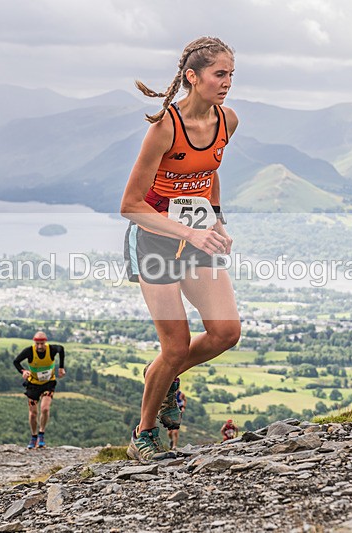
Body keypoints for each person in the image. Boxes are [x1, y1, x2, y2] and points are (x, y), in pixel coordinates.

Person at [120, 36, 241, 462]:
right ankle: (144, 433)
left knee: (227, 332)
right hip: (154, 240)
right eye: (219, 74)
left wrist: (218, 218)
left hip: (198, 236)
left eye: (230, 74)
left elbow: (209, 172)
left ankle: (167, 377)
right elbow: (130, 205)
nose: (227, 83)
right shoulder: (165, 127)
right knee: (174, 346)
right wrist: (189, 233)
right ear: (193, 76)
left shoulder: (228, 121)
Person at [13, 331, 66, 449]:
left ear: (45, 342)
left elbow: (61, 349)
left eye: (42, 343)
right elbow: (16, 362)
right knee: (33, 414)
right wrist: (23, 371)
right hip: (33, 384)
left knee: (45, 408)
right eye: (38, 344)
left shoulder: (51, 350)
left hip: (48, 383)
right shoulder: (29, 351)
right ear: (34, 343)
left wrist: (61, 367)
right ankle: (34, 436)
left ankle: (41, 434)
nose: (40, 346)